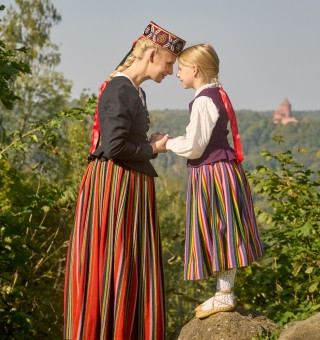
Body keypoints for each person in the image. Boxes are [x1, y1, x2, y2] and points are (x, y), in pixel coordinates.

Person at [63, 21, 185, 340]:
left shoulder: (134, 90)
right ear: (151, 54)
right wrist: (153, 148)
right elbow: (114, 147)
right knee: (114, 262)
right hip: (115, 189)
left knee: (127, 262)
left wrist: (149, 143)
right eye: (169, 64)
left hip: (126, 186)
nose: (170, 72)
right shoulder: (119, 88)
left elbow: (122, 139)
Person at [165, 43, 264, 319]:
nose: (177, 74)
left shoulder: (205, 100)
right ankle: (223, 292)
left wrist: (166, 143)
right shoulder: (213, 95)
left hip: (213, 174)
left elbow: (196, 146)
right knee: (222, 227)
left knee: (221, 228)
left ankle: (224, 294)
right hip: (218, 170)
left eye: (181, 68)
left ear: (194, 70)